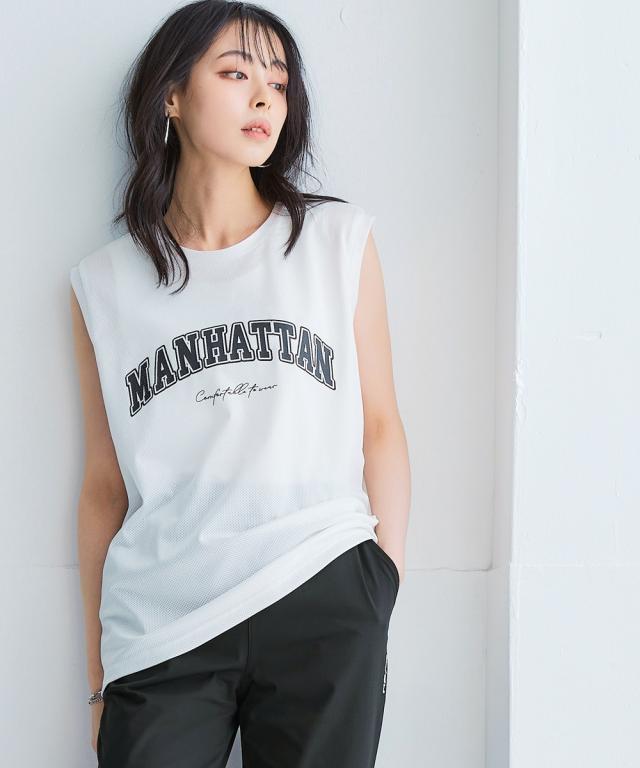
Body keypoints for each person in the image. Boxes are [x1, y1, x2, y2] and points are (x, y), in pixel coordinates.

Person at [69, 2, 411, 765]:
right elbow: (103, 485)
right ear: (171, 95)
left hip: (322, 587)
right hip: (163, 623)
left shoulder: (335, 241)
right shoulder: (105, 283)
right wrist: (99, 676)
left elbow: (381, 427)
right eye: (235, 74)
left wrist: (378, 589)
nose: (264, 98)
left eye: (279, 83)